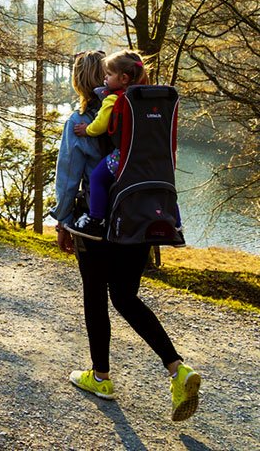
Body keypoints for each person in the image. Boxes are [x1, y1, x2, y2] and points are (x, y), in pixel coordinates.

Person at [50, 50, 201, 422]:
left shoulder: (82, 120)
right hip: (139, 218)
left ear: (77, 81)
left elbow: (69, 177)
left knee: (95, 297)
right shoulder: (136, 111)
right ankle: (177, 369)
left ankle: (101, 376)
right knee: (126, 297)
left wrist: (63, 221)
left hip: (97, 224)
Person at [66, 50, 147, 238]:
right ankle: (174, 222)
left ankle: (96, 219)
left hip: (122, 157)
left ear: (123, 78)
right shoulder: (142, 98)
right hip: (137, 200)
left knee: (97, 178)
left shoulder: (111, 100)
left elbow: (69, 174)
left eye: (109, 75)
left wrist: (86, 130)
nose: (105, 78)